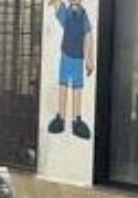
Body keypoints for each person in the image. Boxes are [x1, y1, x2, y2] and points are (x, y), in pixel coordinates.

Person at [47, 0, 96, 139]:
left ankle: (76, 120)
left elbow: (88, 37)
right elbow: (58, 9)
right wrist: (55, 3)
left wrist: (89, 60)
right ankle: (61, 118)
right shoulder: (67, 13)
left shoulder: (83, 16)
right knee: (63, 85)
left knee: (77, 88)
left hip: (78, 58)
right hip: (65, 55)